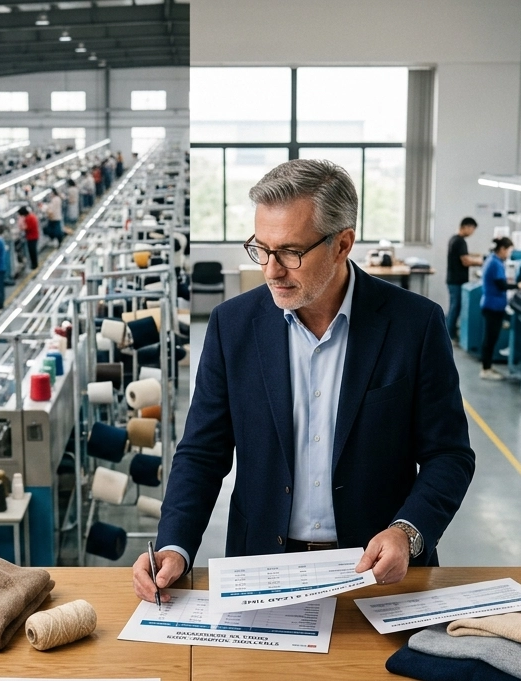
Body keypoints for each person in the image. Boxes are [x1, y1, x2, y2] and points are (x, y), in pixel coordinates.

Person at [132, 159, 475, 602]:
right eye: (261, 248)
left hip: (379, 575)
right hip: (262, 568)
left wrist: (407, 532)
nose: (271, 270)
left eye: (291, 252)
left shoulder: (415, 325)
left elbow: (448, 454)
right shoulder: (232, 326)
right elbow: (202, 452)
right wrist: (175, 545)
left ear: (342, 244)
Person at [478, 237, 513, 381]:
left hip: (491, 304)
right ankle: (486, 370)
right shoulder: (496, 263)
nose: (509, 254)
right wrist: (519, 286)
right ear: (503, 249)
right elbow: (501, 285)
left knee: (490, 338)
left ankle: (487, 366)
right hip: (493, 306)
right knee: (490, 339)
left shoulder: (492, 259)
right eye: (509, 251)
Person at [445, 217, 481, 339]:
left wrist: (477, 256)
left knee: (454, 307)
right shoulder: (460, 242)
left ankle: (449, 332)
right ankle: (450, 335)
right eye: (472, 229)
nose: (472, 232)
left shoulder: (454, 239)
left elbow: (464, 255)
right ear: (466, 227)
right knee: (455, 308)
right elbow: (465, 261)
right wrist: (483, 262)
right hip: (457, 281)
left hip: (453, 279)